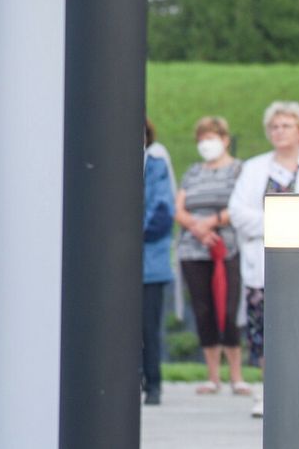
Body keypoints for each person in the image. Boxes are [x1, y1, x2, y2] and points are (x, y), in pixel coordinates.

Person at [228, 101, 299, 417]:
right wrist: (281, 221)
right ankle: (267, 392)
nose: (279, 132)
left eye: (286, 125)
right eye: (274, 126)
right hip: (264, 264)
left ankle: (298, 393)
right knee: (264, 331)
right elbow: (238, 211)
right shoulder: (255, 167)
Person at [174, 116, 249, 396]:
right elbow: (178, 208)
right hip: (194, 249)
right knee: (203, 309)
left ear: (225, 139)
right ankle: (213, 375)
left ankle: (237, 374)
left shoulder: (239, 170)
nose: (206, 144)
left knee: (228, 310)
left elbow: (243, 204)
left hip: (226, 248)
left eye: (212, 138)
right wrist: (197, 227)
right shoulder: (193, 172)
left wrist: (213, 222)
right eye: (202, 139)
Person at [142, 119, 176, 406]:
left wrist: (122, 238)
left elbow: (162, 213)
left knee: (147, 329)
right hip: (113, 270)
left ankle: (153, 384)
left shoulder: (155, 166)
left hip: (148, 266)